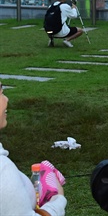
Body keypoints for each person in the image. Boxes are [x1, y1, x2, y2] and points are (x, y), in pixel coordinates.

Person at [0, 81, 67, 216]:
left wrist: (24, 188)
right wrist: (57, 200)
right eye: (1, 93)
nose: (6, 99)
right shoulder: (3, 170)